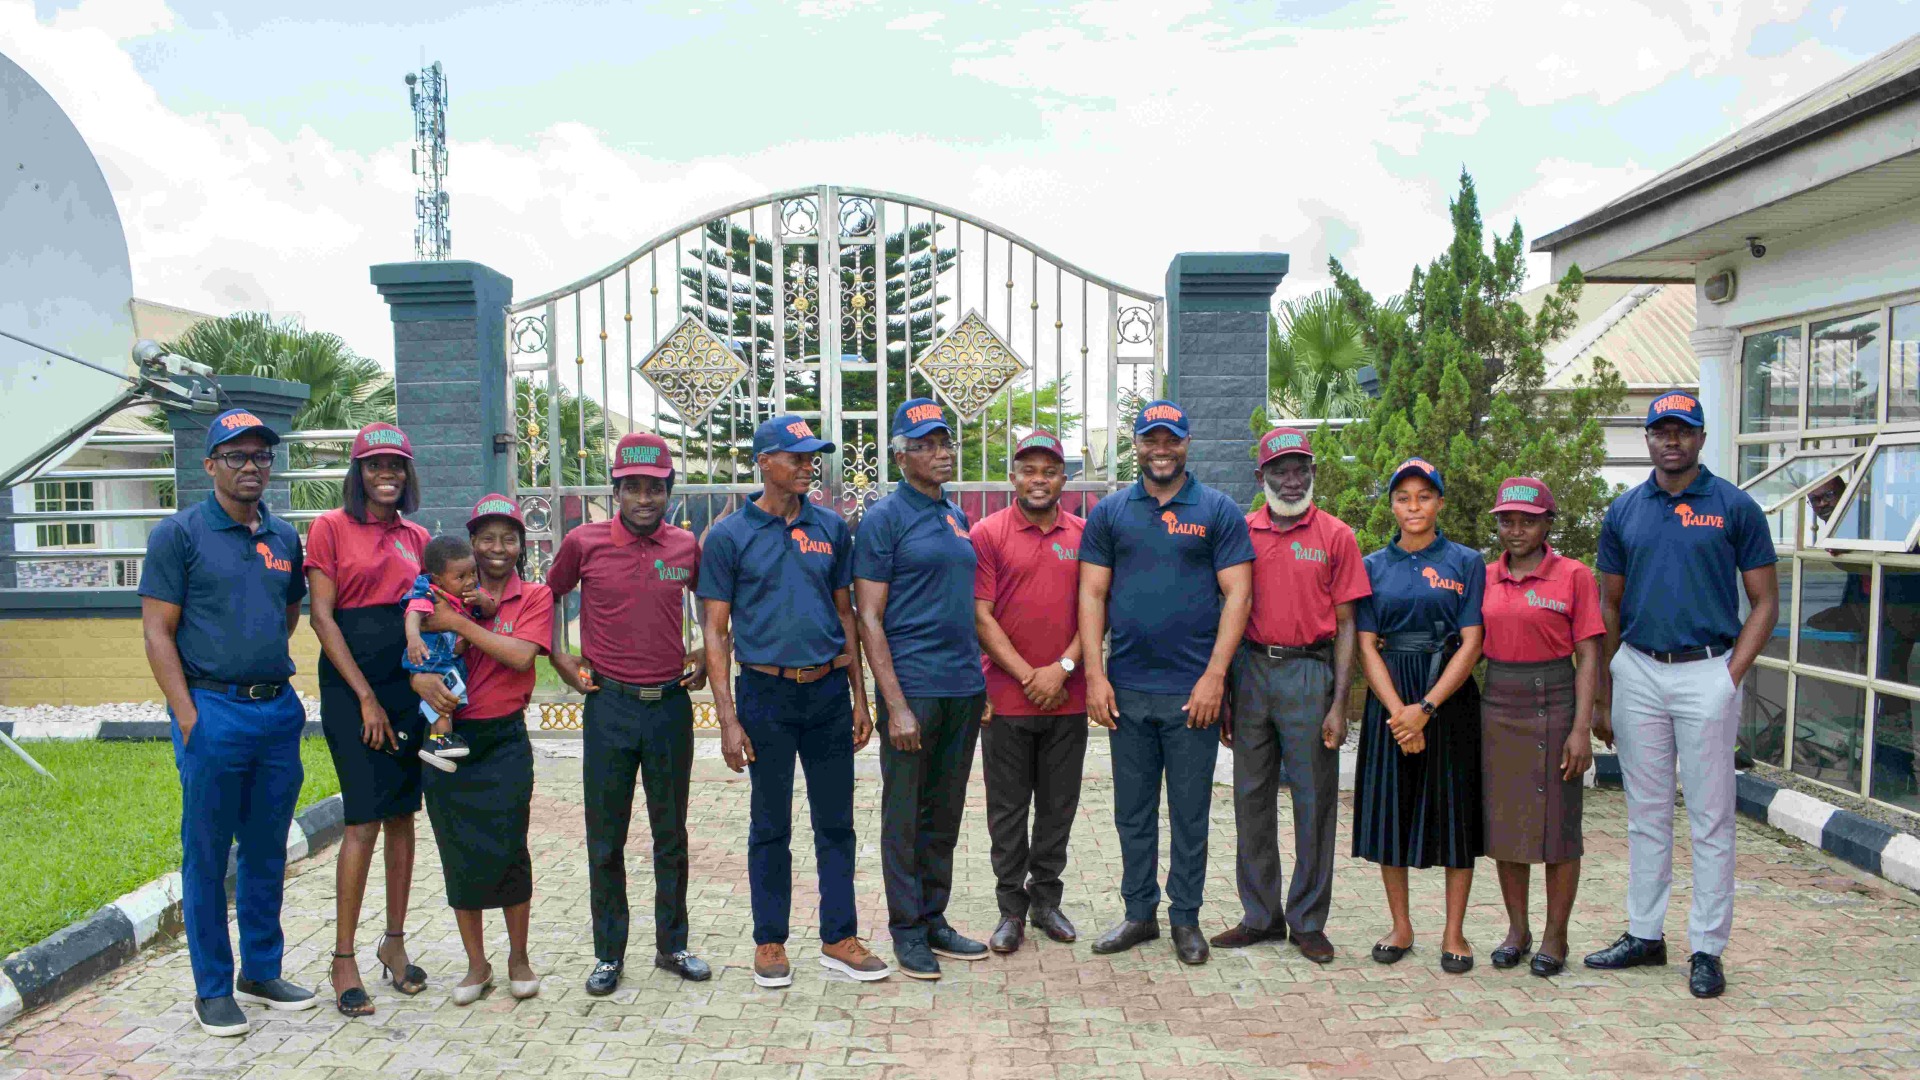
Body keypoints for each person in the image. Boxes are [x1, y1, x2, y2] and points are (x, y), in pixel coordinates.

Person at [1587, 391, 1778, 999]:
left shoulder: (1734, 507)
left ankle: (1707, 948)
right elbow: (1609, 605)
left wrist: (1730, 676)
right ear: (1647, 438)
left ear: (1700, 437)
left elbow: (1766, 603)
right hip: (1639, 670)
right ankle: (1645, 934)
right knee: (1645, 814)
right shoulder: (1624, 510)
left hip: (1707, 671)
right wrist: (1605, 689)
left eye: (1683, 430)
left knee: (1711, 816)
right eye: (1661, 430)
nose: (1672, 440)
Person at [138, 408, 316, 1036]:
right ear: (210, 464)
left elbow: (286, 614)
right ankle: (212, 988)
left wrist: (258, 671)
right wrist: (188, 716)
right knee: (208, 854)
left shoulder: (284, 538)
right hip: (212, 711)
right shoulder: (178, 535)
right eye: (236, 456)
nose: (250, 466)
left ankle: (260, 971)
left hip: (276, 712)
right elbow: (157, 632)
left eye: (261, 456)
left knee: (267, 849)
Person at [702, 415, 891, 988]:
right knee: (770, 823)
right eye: (798, 457)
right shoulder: (729, 535)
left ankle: (839, 937)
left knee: (836, 822)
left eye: (813, 457)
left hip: (828, 692)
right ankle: (770, 941)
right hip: (766, 693)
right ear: (765, 462)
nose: (809, 466)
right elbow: (716, 631)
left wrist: (860, 698)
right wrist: (727, 718)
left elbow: (845, 614)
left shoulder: (830, 527)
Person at [1079, 400, 1254, 967]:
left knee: (1189, 812)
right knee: (1132, 812)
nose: (1161, 450)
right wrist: (1095, 675)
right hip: (1126, 689)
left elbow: (1238, 594)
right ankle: (1139, 913)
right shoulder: (1111, 513)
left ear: (1186, 443)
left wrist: (1215, 677)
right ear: (1136, 444)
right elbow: (1092, 594)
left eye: (1171, 439)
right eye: (1151, 439)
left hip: (1192, 693)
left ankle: (1185, 918)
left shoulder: (1217, 509)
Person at [546, 431, 711, 993]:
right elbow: (550, 594)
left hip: (669, 708)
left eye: (655, 488)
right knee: (605, 837)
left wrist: (707, 651)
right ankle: (608, 954)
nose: (644, 498)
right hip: (609, 706)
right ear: (616, 490)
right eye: (633, 488)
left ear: (669, 492)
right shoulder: (584, 543)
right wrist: (560, 656)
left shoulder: (684, 548)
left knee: (671, 834)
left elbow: (713, 606)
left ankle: (673, 945)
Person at [1214, 427, 1366, 965]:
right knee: (1250, 798)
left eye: (1301, 468)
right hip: (1252, 671)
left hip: (1309, 673)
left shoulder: (1336, 535)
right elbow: (1224, 610)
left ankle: (1307, 921)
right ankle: (1260, 916)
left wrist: (1340, 703)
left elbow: (1347, 624)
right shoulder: (1240, 532)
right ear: (1261, 476)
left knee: (1314, 802)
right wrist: (1225, 690)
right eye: (1280, 470)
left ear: (1314, 472)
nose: (1292, 479)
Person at [854, 397, 991, 980]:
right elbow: (869, 617)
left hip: (962, 688)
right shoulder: (885, 519)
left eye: (944, 442)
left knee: (945, 811)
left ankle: (935, 918)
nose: (941, 453)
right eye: (926, 445)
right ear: (900, 456)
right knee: (905, 814)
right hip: (914, 689)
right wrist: (895, 705)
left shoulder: (954, 515)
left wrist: (979, 683)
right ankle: (907, 929)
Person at [305, 422, 434, 1017]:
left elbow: (428, 610)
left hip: (406, 689)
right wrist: (364, 697)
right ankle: (343, 959)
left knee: (403, 815)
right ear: (357, 472)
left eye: (396, 465)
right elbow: (322, 618)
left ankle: (394, 944)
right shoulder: (330, 527)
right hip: (351, 689)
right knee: (362, 820)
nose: (387, 474)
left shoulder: (417, 537)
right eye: (375, 465)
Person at [409, 495, 554, 1004]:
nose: (498, 548)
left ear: (521, 545)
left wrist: (460, 624)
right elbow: (413, 650)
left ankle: (519, 957)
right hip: (449, 738)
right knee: (457, 850)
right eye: (487, 538)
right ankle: (477, 964)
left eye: (509, 538)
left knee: (511, 847)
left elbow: (519, 657)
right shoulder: (436, 593)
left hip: (504, 740)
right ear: (471, 543)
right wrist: (418, 680)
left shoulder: (534, 596)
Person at [1352, 458, 1485, 974]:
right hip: (1390, 695)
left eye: (1424, 497)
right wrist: (1398, 714)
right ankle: (1401, 926)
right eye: (1403, 497)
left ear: (1440, 503)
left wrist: (1425, 709)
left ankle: (1454, 931)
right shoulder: (1371, 566)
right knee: (1392, 811)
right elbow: (1366, 644)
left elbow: (1472, 641)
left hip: (1447, 696)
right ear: (1391, 505)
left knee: (1454, 814)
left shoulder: (1466, 562)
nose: (1414, 506)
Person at [1479, 478, 1601, 978]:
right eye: (1507, 521)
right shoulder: (1484, 576)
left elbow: (1589, 654)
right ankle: (1517, 930)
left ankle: (1556, 935)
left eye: (1527, 521)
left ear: (1548, 523)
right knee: (1505, 823)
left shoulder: (1574, 576)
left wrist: (1581, 728)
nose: (1516, 530)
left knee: (1558, 826)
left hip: (1554, 702)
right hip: (1498, 703)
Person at [972, 430, 1088, 954]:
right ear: (1013, 477)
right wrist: (1029, 676)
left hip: (1068, 696)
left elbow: (1097, 610)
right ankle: (1010, 910)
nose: (1039, 480)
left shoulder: (1085, 535)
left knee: (1058, 807)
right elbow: (981, 616)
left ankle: (1046, 902)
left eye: (1050, 471)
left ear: (1064, 478)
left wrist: (1061, 669)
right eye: (1029, 471)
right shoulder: (988, 533)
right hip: (1007, 699)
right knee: (1008, 810)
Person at [401, 535, 480, 770]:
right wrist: (413, 638)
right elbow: (414, 613)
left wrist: (483, 600)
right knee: (444, 698)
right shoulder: (429, 592)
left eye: (473, 573)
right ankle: (443, 739)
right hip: (430, 656)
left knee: (445, 698)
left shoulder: (465, 593)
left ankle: (434, 744)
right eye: (461, 577)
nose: (470, 581)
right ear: (438, 578)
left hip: (448, 658)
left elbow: (487, 608)